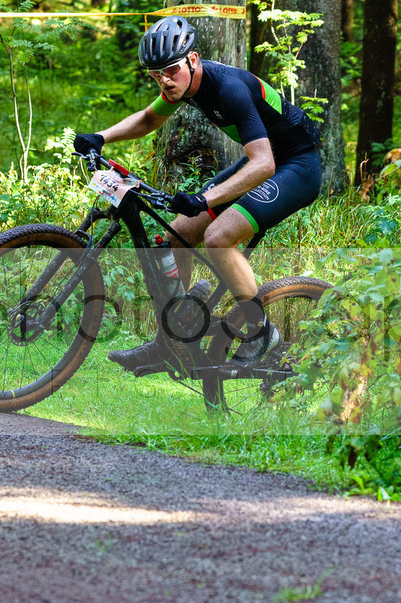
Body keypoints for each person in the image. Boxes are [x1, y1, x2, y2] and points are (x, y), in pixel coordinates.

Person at [74, 16, 322, 373]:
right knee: (178, 232)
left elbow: (263, 164)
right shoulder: (183, 82)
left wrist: (205, 200)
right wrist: (101, 137)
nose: (164, 80)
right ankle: (174, 340)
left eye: (170, 71)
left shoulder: (228, 89)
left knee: (218, 238)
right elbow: (149, 118)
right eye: (155, 74)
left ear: (193, 59)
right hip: (266, 159)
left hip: (296, 166)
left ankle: (262, 333)